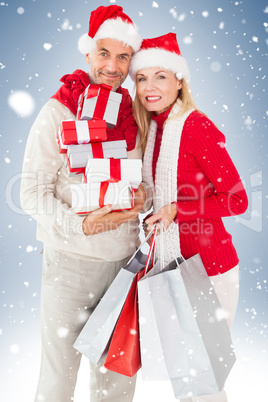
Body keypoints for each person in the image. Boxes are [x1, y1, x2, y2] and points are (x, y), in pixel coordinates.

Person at [20, 5, 149, 402]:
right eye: (104, 54)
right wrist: (80, 225)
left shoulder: (136, 118)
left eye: (123, 56)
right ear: (88, 54)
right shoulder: (57, 111)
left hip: (123, 269)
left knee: (116, 382)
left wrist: (144, 196)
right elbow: (31, 193)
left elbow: (143, 185)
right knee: (58, 380)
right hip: (69, 267)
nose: (112, 66)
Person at [130, 33, 248, 402]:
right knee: (187, 373)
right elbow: (162, 192)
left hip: (208, 269)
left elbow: (237, 200)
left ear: (179, 80)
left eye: (160, 76)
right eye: (142, 78)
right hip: (172, 265)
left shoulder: (194, 127)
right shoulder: (154, 128)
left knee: (203, 378)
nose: (150, 87)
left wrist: (177, 210)